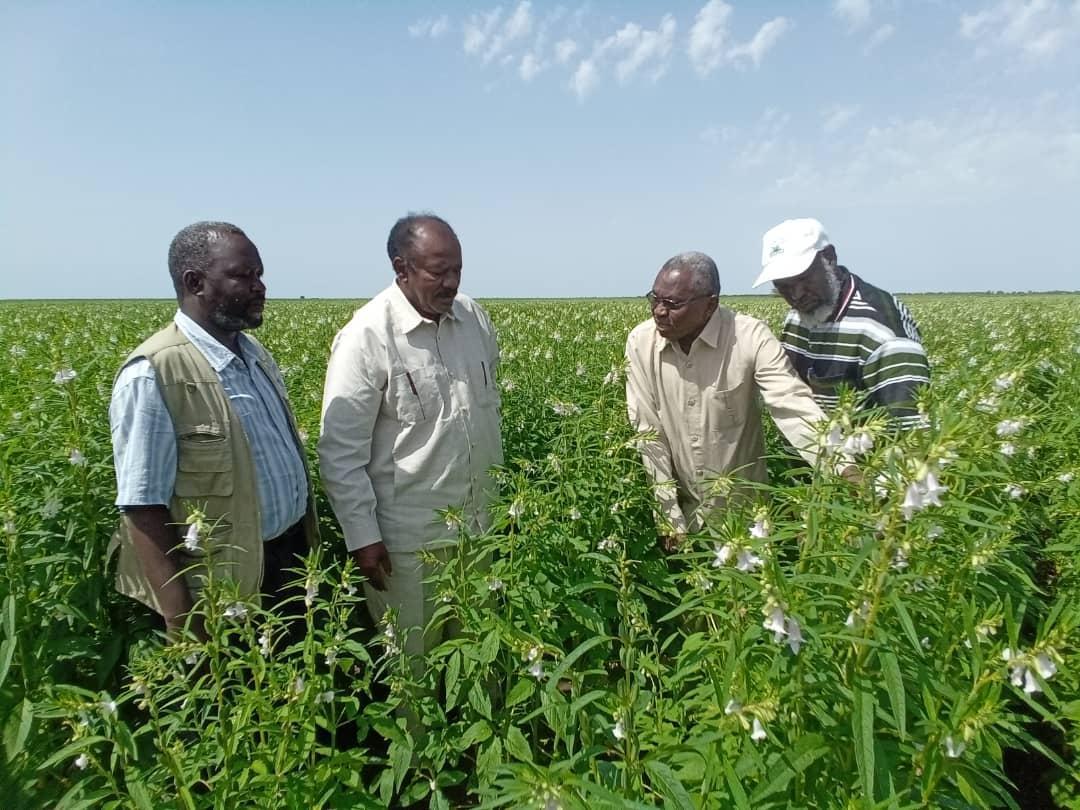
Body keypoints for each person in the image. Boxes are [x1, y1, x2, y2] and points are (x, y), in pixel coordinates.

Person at [108, 221, 319, 639]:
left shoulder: (253, 354)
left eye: (259, 274)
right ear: (195, 282)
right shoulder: (154, 373)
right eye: (244, 275)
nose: (260, 287)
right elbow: (141, 507)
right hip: (221, 588)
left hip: (288, 563)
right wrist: (185, 624)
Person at [318, 213, 501, 657]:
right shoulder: (366, 336)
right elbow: (340, 453)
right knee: (412, 671)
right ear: (401, 268)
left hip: (481, 531)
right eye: (438, 272)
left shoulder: (473, 318)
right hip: (410, 544)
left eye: (457, 269)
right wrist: (362, 536)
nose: (452, 282)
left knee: (482, 661)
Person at [625, 251, 827, 551]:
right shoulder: (641, 342)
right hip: (687, 522)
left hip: (747, 525)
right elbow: (647, 430)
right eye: (654, 299)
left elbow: (791, 402)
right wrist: (667, 514)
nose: (659, 311)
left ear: (710, 305)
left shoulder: (749, 337)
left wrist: (840, 462)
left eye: (673, 304)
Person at [754, 218, 929, 427]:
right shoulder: (801, 313)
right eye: (783, 285)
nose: (796, 295)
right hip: (811, 455)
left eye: (804, 279)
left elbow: (911, 432)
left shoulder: (884, 335)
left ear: (829, 257)